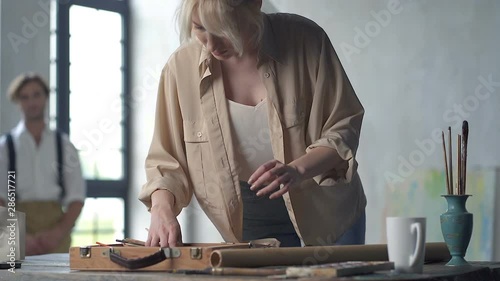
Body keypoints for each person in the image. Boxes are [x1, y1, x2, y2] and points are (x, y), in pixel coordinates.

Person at [140, 0, 366, 247]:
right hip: (248, 223)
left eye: (224, 30)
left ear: (255, 6)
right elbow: (166, 161)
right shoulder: (179, 69)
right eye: (200, 28)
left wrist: (297, 170)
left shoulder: (307, 40)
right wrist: (161, 209)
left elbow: (343, 126)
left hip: (327, 214)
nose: (212, 45)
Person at [0, 73, 86, 255]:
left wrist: (57, 233)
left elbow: (76, 198)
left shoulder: (64, 145)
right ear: (18, 102)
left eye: (37, 95)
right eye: (25, 97)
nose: (32, 102)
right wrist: (18, 236)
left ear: (46, 97)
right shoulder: (5, 147)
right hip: (13, 229)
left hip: (56, 232)